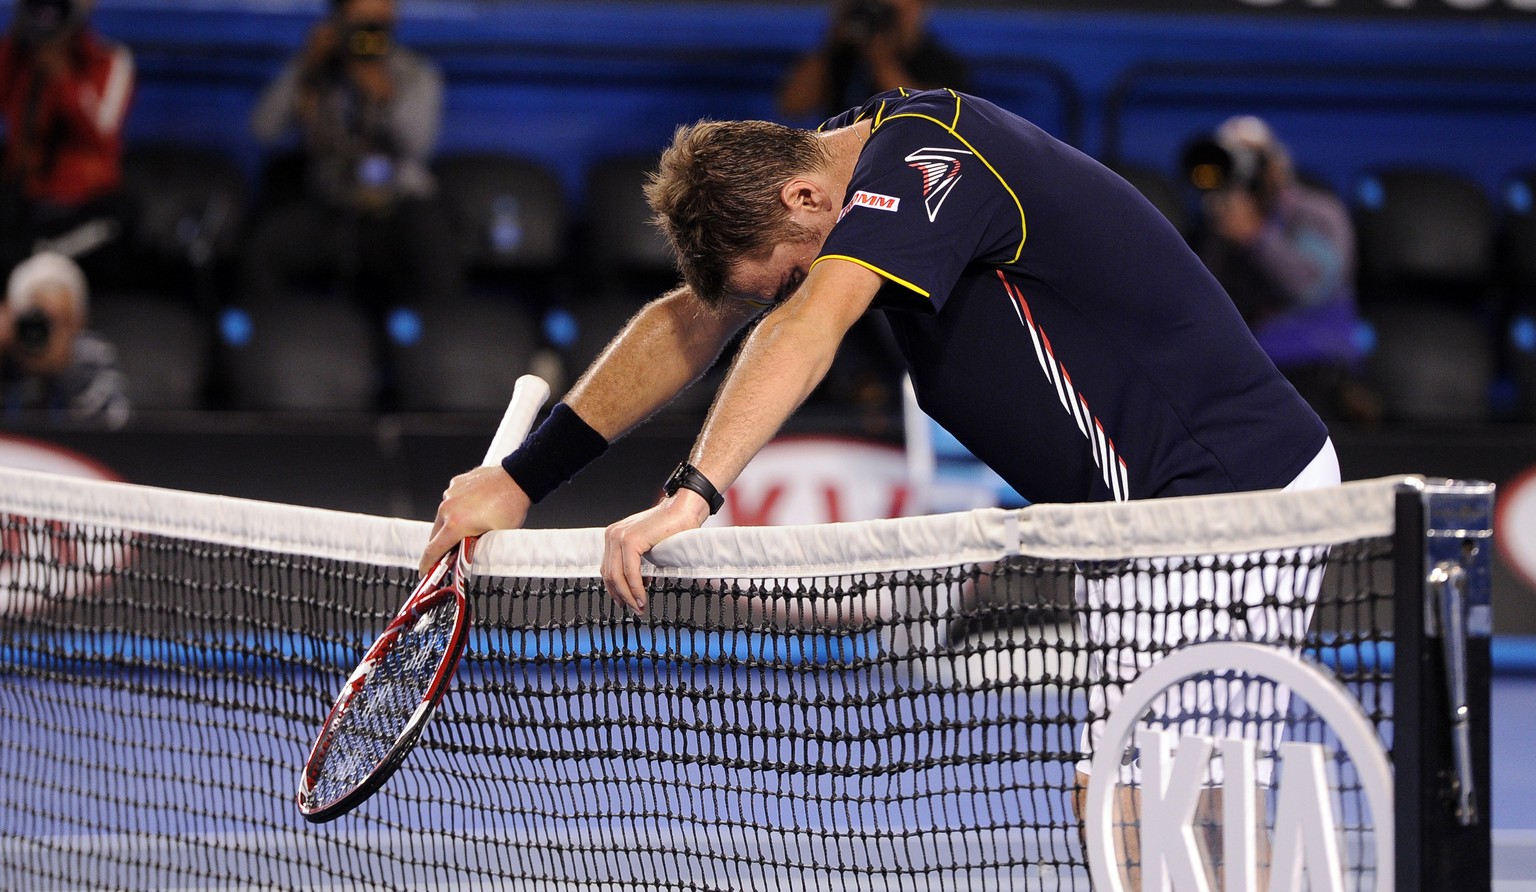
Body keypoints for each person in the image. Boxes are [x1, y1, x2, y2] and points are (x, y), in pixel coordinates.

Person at [420, 88, 1338, 866]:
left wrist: (692, 493)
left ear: (805, 197)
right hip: (1143, 523)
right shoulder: (844, 162)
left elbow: (811, 322)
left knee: (1152, 809)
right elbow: (688, 325)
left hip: (1223, 495)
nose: (787, 293)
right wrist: (521, 482)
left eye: (785, 274)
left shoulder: (929, 157)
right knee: (1162, 807)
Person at [240, 0, 460, 313]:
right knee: (266, 248)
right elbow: (262, 129)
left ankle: (439, 349)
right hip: (333, 203)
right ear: (339, 22)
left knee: (436, 247)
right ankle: (275, 348)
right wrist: (306, 66)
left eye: (380, 23)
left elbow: (419, 144)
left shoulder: (414, 72)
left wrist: (383, 94)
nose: (370, 33)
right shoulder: (318, 69)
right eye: (361, 23)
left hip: (399, 204)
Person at [1186, 115, 1377, 423]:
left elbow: (1314, 288)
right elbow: (1209, 302)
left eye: (1251, 161)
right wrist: (1224, 237)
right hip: (1248, 373)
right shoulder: (1219, 227)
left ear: (1275, 164)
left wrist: (1257, 237)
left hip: (1317, 369)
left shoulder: (1317, 214)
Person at [0, 0, 134, 279]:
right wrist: (21, 28)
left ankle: (28, 262)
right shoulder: (17, 57)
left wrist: (62, 74)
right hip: (21, 200)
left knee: (120, 216)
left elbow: (101, 133)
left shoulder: (108, 59)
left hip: (80, 206)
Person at [778, 0, 969, 122]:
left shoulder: (942, 63)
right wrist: (833, 40)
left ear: (917, 8)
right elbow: (793, 106)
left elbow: (923, 116)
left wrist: (881, 60)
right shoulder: (842, 56)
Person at [1, 250, 129, 428]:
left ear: (80, 322)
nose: (46, 333)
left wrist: (66, 369)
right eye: (37, 319)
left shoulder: (93, 357)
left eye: (62, 321)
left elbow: (114, 428)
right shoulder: (7, 355)